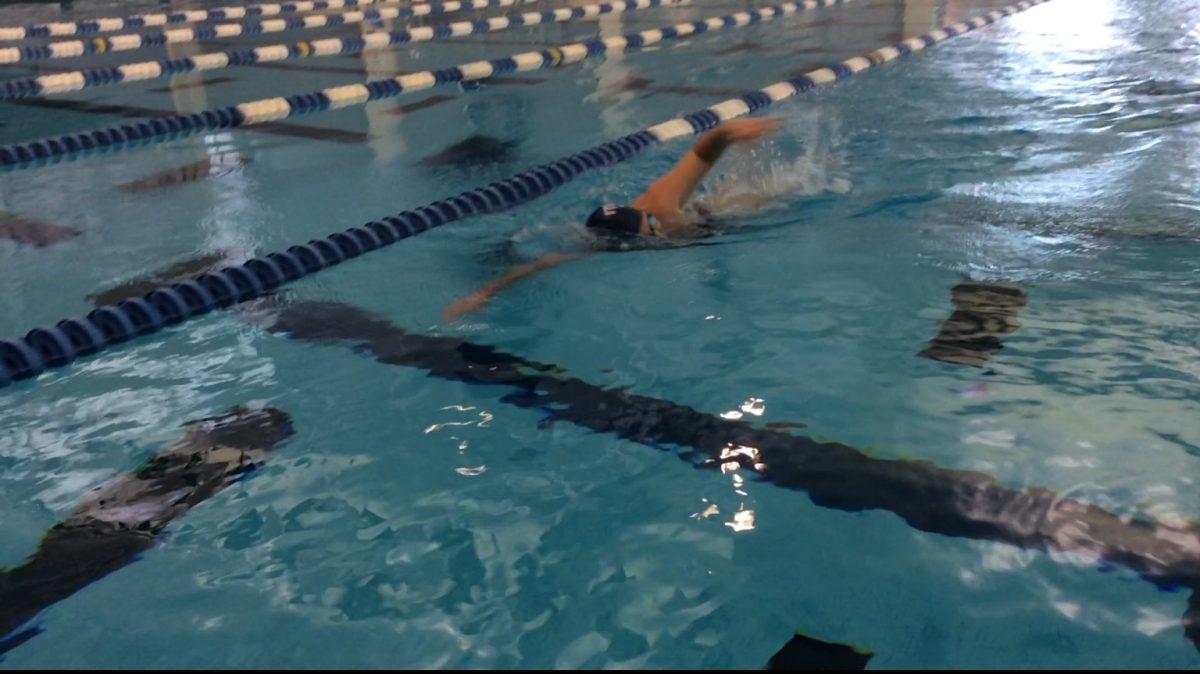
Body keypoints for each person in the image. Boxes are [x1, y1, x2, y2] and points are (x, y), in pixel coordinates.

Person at [443, 117, 783, 322]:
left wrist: (731, 132)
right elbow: (538, 265)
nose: (656, 229)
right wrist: (483, 295)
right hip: (699, 231)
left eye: (651, 224)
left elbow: (702, 152)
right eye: (650, 231)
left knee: (751, 202)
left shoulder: (661, 202)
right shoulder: (601, 246)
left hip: (711, 216)